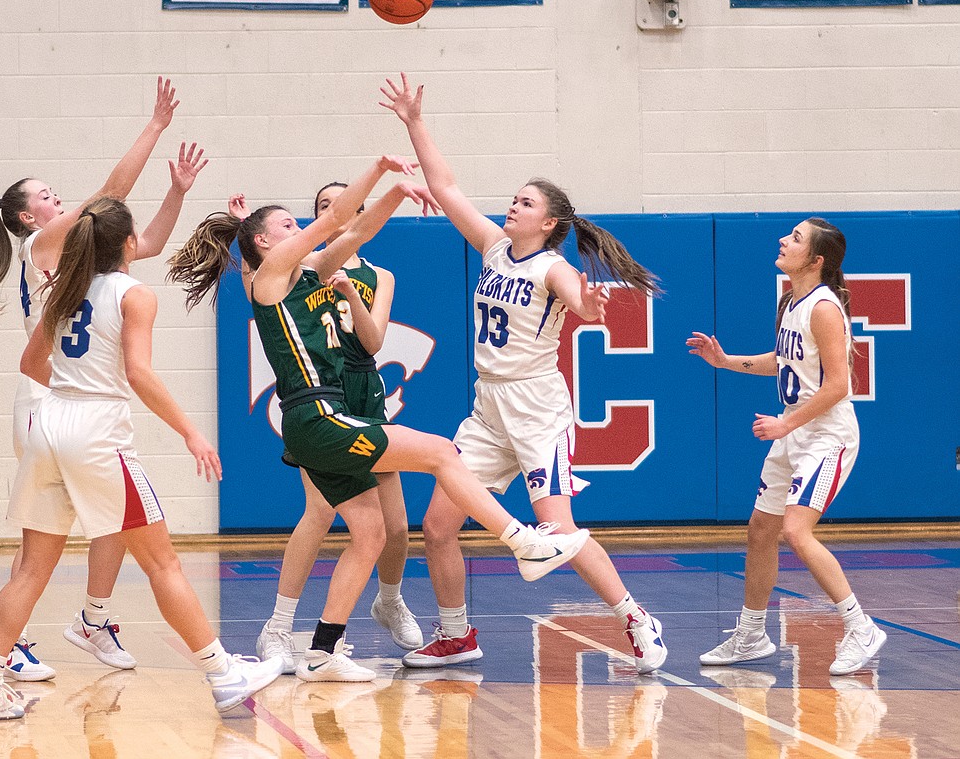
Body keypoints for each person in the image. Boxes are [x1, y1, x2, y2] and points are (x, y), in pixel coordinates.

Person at [167, 155, 589, 684]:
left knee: (369, 534)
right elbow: (334, 220)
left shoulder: (312, 273)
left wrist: (395, 194)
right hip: (317, 413)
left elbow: (355, 228)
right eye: (286, 226)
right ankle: (522, 542)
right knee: (440, 453)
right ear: (265, 245)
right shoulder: (272, 277)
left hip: (334, 411)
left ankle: (322, 652)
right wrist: (379, 168)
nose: (299, 230)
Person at [380, 73, 668, 674]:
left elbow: (581, 302)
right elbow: (447, 186)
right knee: (436, 526)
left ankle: (636, 618)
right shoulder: (491, 247)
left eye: (525, 203)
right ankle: (456, 634)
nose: (512, 206)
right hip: (489, 407)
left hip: (537, 408)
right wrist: (414, 122)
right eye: (513, 198)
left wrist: (588, 308)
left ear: (548, 224)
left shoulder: (553, 268)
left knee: (557, 533)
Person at [0, 197, 284, 722]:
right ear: (129, 243)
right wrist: (190, 431)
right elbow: (139, 374)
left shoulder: (60, 287)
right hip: (96, 435)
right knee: (162, 562)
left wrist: (71, 391)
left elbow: (29, 363)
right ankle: (224, 675)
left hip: (49, 424)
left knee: (31, 571)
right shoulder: (135, 293)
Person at [0, 78, 196, 681]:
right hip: (49, 398)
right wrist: (155, 126)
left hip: (70, 398)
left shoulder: (85, 252)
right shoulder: (41, 245)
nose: (60, 201)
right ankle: (23, 641)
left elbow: (151, 242)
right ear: (28, 217)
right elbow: (109, 194)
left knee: (102, 518)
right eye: (49, 196)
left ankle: (92, 618)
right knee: (46, 541)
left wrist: (177, 191)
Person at [232, 184, 423, 674]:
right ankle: (280, 628)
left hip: (362, 390)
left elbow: (374, 340)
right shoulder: (304, 267)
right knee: (319, 513)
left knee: (391, 526)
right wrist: (244, 234)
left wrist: (395, 191)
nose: (317, 218)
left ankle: (387, 602)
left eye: (325, 211)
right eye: (312, 211)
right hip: (319, 397)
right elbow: (262, 284)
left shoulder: (372, 273)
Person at [687, 217, 887, 675]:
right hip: (794, 430)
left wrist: (785, 424)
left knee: (796, 531)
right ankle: (752, 635)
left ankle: (861, 627)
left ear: (816, 260)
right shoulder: (790, 300)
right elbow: (783, 361)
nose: (783, 239)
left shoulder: (823, 307)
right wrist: (725, 361)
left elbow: (839, 385)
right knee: (760, 530)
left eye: (795, 238)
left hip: (827, 434)